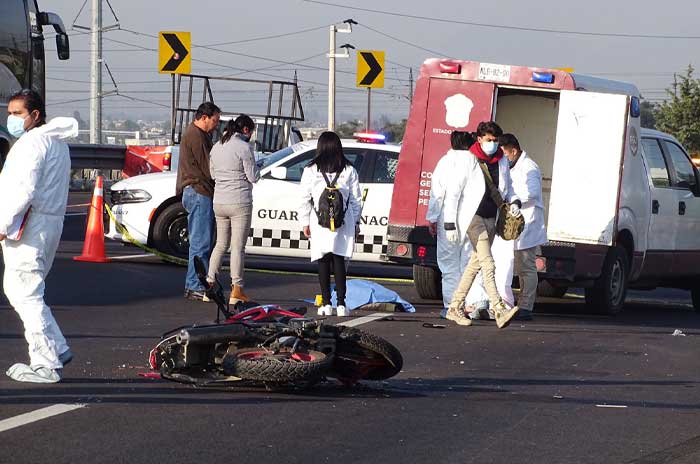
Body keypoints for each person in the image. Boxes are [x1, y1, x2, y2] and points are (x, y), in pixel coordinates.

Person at [0, 89, 78, 383]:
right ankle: (56, 347)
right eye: (10, 113)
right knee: (29, 290)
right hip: (48, 223)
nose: (12, 118)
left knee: (24, 293)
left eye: (18, 113)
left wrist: (2, 224)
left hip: (29, 225)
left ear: (35, 115)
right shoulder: (57, 143)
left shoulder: (32, 144)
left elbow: (22, 190)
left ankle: (46, 362)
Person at [443, 121, 522, 328]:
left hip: (491, 217)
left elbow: (508, 187)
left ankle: (454, 307)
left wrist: (515, 202)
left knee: (474, 265)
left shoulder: (501, 161)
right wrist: (450, 223)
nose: (493, 144)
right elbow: (454, 191)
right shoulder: (469, 159)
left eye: (496, 140)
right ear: (479, 139)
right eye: (489, 140)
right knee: (488, 263)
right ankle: (498, 308)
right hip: (473, 218)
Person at [298, 131, 361, 317]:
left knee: (323, 260)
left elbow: (304, 198)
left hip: (319, 221)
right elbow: (356, 200)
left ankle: (325, 304)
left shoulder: (311, 169)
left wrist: (304, 222)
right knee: (339, 260)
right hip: (344, 221)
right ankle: (341, 304)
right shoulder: (349, 170)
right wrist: (356, 222)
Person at [426, 131, 484, 317]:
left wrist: (433, 217)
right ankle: (471, 304)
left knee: (449, 265)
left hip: (448, 221)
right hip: (471, 221)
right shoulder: (475, 163)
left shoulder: (445, 162)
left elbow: (439, 193)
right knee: (469, 263)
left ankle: (452, 305)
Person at [206, 115, 259, 306]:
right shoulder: (244, 147)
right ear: (246, 130)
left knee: (220, 244)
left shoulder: (216, 146)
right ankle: (237, 289)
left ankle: (210, 284)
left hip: (219, 201)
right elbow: (253, 177)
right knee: (237, 247)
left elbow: (212, 174)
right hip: (239, 202)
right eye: (251, 132)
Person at [499, 133, 547, 320]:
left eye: (505, 153)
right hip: (514, 223)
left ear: (514, 150)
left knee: (526, 267)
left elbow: (532, 192)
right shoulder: (510, 166)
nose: (503, 157)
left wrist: (515, 202)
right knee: (513, 265)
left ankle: (526, 306)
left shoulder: (529, 167)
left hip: (528, 222)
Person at [176, 102, 221, 301]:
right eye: (215, 120)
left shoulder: (196, 134)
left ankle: (195, 283)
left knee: (201, 241)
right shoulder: (196, 136)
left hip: (197, 191)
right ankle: (194, 285)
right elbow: (208, 167)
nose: (216, 125)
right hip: (199, 191)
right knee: (200, 242)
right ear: (204, 117)